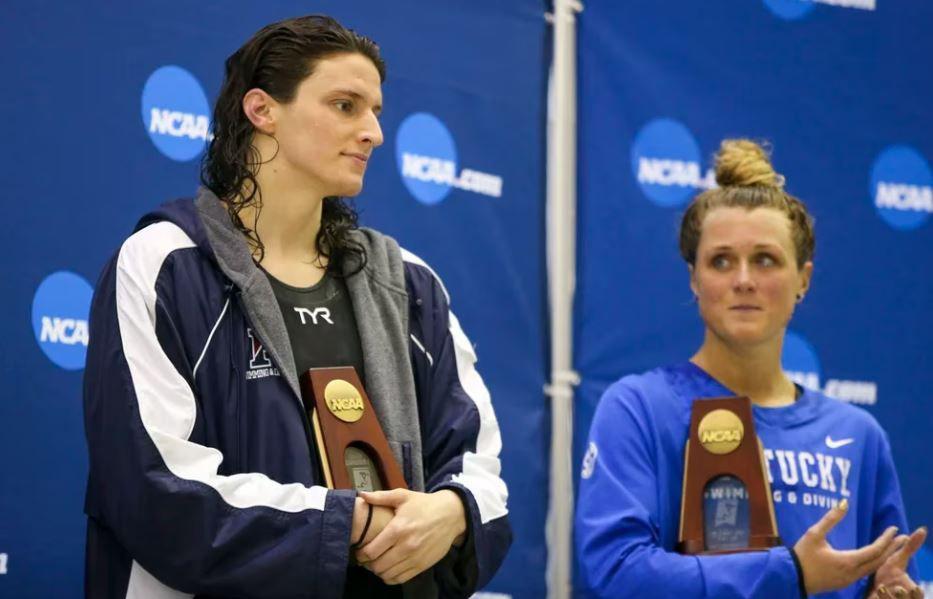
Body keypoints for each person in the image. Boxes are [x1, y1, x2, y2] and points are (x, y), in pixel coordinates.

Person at [83, 15, 511, 598]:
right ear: (262, 111)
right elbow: (155, 484)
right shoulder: (165, 264)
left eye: (376, 112)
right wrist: (350, 524)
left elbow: (474, 463)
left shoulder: (409, 283)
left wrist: (452, 512)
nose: (374, 133)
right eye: (345, 105)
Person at [575, 139, 925, 598]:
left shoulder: (859, 435)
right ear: (694, 279)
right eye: (721, 261)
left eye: (765, 260)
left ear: (803, 278)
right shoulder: (640, 408)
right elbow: (616, 573)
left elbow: (888, 575)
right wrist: (790, 573)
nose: (743, 280)